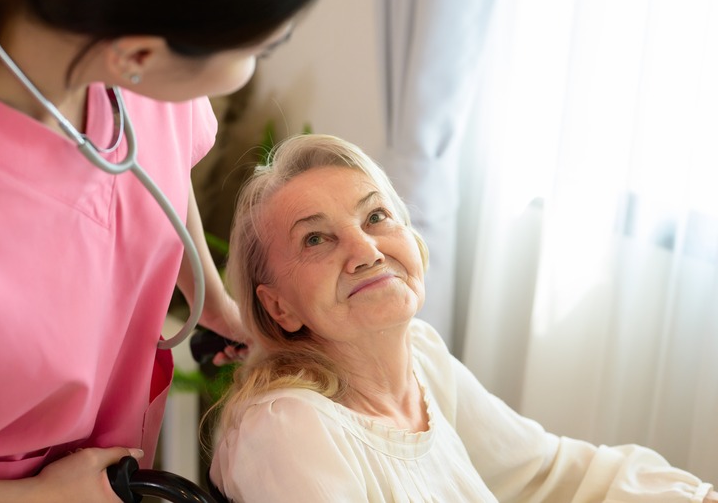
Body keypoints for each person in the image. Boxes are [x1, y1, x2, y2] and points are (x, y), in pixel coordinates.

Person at [0, 0, 330, 500]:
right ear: (138, 54)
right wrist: (33, 499)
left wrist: (210, 298)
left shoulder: (132, 62)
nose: (256, 66)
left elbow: (157, 168)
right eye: (260, 49)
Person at [209, 133, 717, 502]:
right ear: (278, 307)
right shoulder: (289, 429)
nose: (366, 251)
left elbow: (545, 472)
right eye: (315, 239)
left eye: (376, 216)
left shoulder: (422, 359)